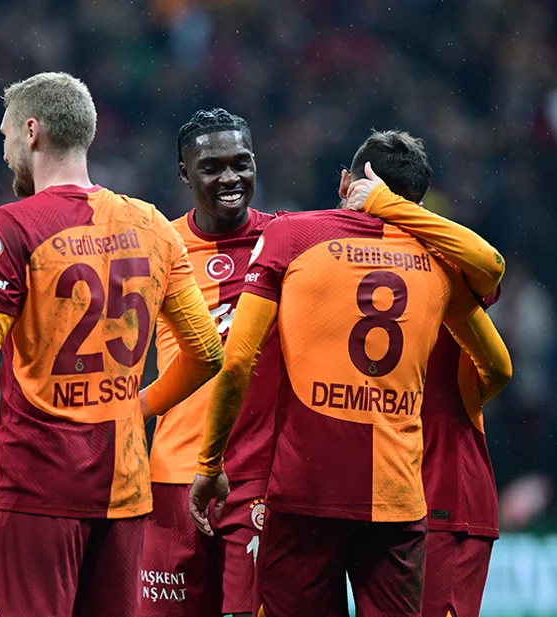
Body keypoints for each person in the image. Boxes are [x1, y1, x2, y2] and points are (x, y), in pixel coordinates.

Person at [0, 72, 225, 617]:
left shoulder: (11, 225)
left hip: (36, 490)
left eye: (6, 135)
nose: (4, 151)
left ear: (31, 132)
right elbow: (206, 352)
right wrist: (138, 406)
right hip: (124, 490)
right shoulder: (153, 224)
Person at [189, 130, 512, 617]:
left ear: (345, 182)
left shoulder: (292, 235)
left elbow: (236, 362)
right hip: (399, 494)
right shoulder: (441, 260)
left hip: (307, 489)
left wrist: (210, 464)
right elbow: (498, 357)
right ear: (418, 204)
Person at [344, 163, 506, 617]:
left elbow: (492, 263)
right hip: (377, 498)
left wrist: (387, 206)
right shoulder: (336, 262)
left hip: (445, 495)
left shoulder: (447, 264)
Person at [140, 108, 278, 617]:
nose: (230, 178)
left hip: (258, 475)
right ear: (184, 173)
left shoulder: (285, 240)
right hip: (173, 473)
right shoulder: (159, 244)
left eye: (241, 163)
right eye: (212, 167)